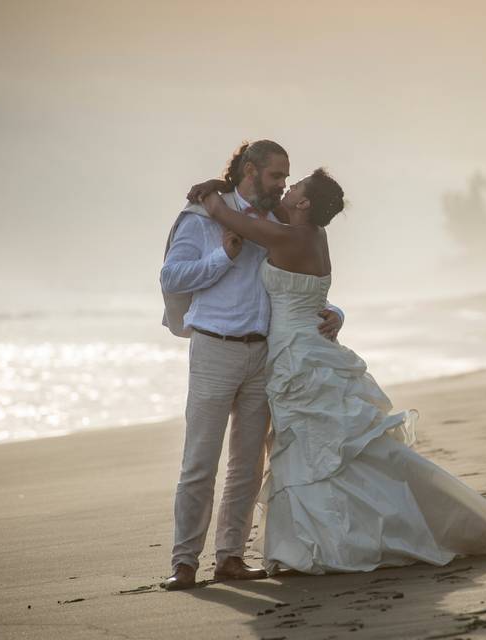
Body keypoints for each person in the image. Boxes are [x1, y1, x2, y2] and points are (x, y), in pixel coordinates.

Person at [188, 168, 486, 576]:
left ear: (303, 203)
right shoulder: (312, 235)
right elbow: (310, 289)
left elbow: (231, 220)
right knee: (322, 447)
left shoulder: (290, 237)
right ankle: (321, 537)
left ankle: (330, 540)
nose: (288, 187)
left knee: (314, 447)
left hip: (298, 356)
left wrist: (212, 193)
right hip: (306, 349)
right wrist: (335, 312)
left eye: (295, 185)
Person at [158, 141, 345, 590]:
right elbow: (171, 276)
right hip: (214, 348)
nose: (282, 185)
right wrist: (223, 256)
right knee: (199, 461)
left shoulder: (280, 220)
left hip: (265, 353)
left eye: (287, 178)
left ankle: (231, 558)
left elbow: (295, 283)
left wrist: (335, 312)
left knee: (247, 464)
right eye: (276, 176)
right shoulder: (202, 215)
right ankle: (184, 562)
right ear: (249, 170)